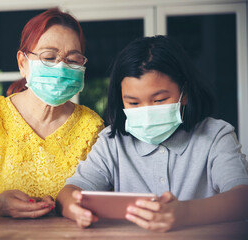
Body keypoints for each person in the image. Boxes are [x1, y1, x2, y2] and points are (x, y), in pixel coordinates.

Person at [56, 35, 248, 232]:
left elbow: (242, 197)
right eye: (133, 103)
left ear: (184, 94)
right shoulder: (112, 142)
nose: (146, 112)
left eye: (159, 100)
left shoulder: (216, 136)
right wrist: (73, 207)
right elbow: (69, 192)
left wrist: (185, 213)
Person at [0, 8, 104, 218]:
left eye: (73, 60)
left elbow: (101, 203)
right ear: (23, 63)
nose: (60, 68)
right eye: (49, 57)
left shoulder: (91, 126)